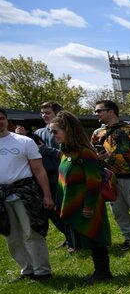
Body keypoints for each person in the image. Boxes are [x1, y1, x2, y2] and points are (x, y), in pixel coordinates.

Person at [50, 111, 113, 283]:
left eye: (55, 131)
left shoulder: (85, 153)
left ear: (68, 130)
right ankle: (100, 271)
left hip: (88, 204)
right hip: (76, 203)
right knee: (90, 238)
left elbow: (94, 182)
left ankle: (103, 272)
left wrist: (88, 206)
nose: (52, 135)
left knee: (96, 236)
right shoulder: (66, 153)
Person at [0, 107, 54, 280]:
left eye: (1, 118)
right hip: (1, 196)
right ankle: (27, 269)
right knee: (11, 236)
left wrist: (47, 195)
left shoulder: (24, 141)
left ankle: (42, 270)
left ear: (7, 120)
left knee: (32, 232)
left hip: (24, 193)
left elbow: (39, 171)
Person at [91, 99, 130, 250]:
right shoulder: (98, 133)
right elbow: (92, 152)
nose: (96, 113)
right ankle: (128, 238)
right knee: (118, 211)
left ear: (111, 111)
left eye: (99, 111)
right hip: (110, 180)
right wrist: (97, 157)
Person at [34, 101, 71, 249]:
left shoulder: (64, 131)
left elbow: (66, 154)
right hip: (45, 179)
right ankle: (69, 236)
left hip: (63, 178)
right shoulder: (38, 133)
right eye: (42, 113)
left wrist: (44, 149)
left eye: (47, 112)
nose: (44, 115)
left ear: (57, 113)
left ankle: (74, 239)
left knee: (66, 211)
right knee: (50, 211)